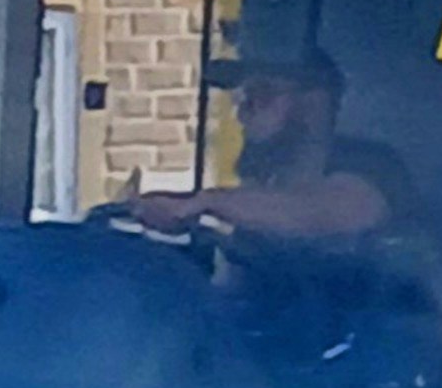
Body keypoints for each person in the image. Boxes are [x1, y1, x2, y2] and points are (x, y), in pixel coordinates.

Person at [132, 45, 413, 247]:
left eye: (260, 94)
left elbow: (316, 213)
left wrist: (206, 201)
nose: (242, 113)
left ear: (313, 101)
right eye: (241, 97)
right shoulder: (269, 173)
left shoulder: (372, 164)